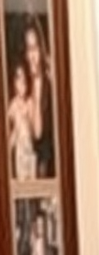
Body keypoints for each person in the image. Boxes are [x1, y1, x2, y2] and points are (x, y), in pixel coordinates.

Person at [24, 18, 55, 178]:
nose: (31, 56)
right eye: (28, 50)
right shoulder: (27, 89)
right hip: (39, 171)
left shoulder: (51, 81)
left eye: (34, 48)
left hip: (54, 167)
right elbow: (36, 132)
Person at [7, 62, 36, 181]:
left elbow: (34, 132)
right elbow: (11, 136)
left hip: (29, 150)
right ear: (14, 83)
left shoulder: (30, 102)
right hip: (19, 152)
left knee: (32, 184)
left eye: (24, 79)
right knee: (21, 182)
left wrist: (28, 115)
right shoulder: (13, 105)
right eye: (18, 78)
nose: (22, 83)